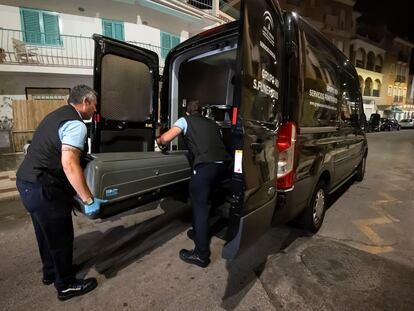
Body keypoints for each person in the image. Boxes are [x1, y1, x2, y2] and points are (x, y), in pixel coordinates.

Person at [16, 85, 107, 301]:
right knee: (61, 238)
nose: (95, 109)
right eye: (94, 104)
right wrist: (88, 198)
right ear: (85, 101)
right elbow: (69, 164)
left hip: (27, 182)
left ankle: (51, 272)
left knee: (45, 233)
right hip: (44, 187)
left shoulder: (56, 115)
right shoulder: (76, 125)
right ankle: (66, 285)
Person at [157, 101, 229, 268]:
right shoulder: (212, 123)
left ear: (187, 112)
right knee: (207, 201)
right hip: (223, 167)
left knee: (200, 209)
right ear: (201, 112)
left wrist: (160, 142)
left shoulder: (184, 120)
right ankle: (198, 233)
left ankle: (201, 255)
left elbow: (166, 138)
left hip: (205, 167)